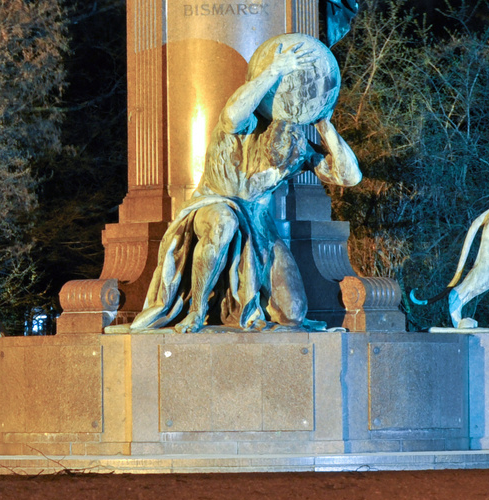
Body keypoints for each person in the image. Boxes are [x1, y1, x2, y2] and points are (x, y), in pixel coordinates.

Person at [131, 34, 361, 332]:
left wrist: (324, 123)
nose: (280, 164)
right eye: (276, 156)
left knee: (294, 313)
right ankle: (196, 312)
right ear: (267, 136)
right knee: (223, 223)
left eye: (287, 161)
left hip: (259, 224)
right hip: (214, 204)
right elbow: (232, 112)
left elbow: (349, 177)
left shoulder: (295, 152)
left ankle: (248, 304)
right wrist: (275, 70)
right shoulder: (241, 129)